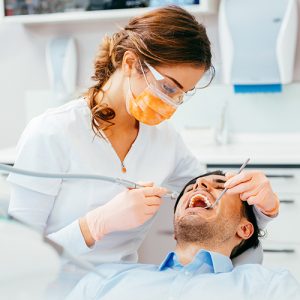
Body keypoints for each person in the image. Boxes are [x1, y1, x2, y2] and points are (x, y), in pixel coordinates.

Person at [7, 5, 279, 291]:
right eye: (168, 88)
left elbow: (216, 201)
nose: (173, 104)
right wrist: (94, 225)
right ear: (130, 63)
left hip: (122, 287)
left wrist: (264, 204)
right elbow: (18, 255)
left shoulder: (164, 140)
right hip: (54, 290)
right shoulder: (52, 132)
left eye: (182, 95)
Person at [66, 171, 300, 300]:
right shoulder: (103, 279)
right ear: (175, 224)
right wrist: (91, 225)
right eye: (191, 187)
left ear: (244, 229)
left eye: (220, 186)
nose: (199, 184)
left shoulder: (269, 286)